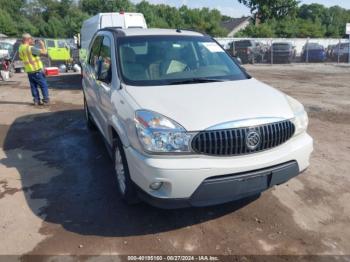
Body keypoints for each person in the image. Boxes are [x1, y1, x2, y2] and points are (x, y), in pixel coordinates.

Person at [19, 33, 50, 106]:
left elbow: (22, 57)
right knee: (43, 85)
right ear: (27, 40)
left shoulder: (21, 48)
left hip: (29, 71)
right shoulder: (31, 48)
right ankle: (46, 100)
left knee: (33, 86)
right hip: (37, 71)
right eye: (31, 39)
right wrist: (42, 44)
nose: (32, 40)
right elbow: (44, 52)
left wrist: (33, 45)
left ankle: (36, 100)